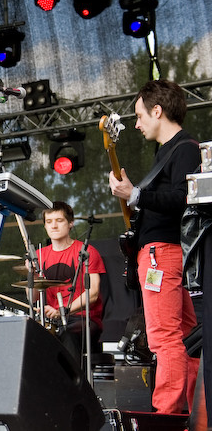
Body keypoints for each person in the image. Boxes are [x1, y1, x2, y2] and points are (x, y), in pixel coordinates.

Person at [109, 79, 200, 415]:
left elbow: (181, 200)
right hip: (163, 252)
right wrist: (133, 197)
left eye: (139, 115)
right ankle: (192, 412)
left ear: (157, 110)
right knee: (188, 337)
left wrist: (135, 195)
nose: (136, 123)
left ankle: (167, 415)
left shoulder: (185, 147)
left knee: (164, 339)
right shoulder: (167, 151)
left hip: (163, 254)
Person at [30, 201, 106, 365]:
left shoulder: (86, 252)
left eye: (59, 220)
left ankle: (72, 387)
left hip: (82, 319)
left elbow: (93, 292)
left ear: (71, 223)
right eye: (49, 222)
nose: (54, 226)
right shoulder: (39, 256)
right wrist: (33, 275)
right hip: (52, 320)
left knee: (68, 335)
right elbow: (32, 298)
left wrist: (61, 310)